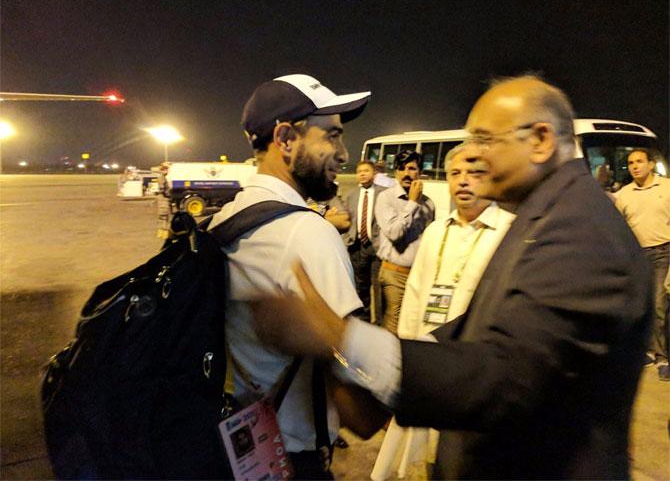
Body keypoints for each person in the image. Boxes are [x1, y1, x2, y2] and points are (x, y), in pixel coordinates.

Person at [250, 75, 653, 479]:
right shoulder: (543, 214)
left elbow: (509, 374)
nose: (472, 157)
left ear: (541, 140)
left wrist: (343, 338)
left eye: (484, 139)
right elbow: (486, 327)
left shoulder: (579, 230)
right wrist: (380, 366)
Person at [208, 73, 385, 479]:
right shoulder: (307, 233)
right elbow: (359, 404)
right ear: (286, 139)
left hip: (238, 450)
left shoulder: (223, 221)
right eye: (332, 137)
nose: (344, 154)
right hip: (293, 459)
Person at [371, 143, 515, 480]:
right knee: (422, 457)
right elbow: (416, 296)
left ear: (492, 180)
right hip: (430, 358)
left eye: (475, 173)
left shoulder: (510, 232)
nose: (464, 181)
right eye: (455, 174)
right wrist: (408, 358)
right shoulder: (436, 231)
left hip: (475, 367)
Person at [615, 149, 670, 380]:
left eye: (639, 161)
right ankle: (648, 350)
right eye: (630, 163)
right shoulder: (624, 195)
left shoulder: (666, 187)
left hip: (664, 253)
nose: (635, 166)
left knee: (659, 305)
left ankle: (663, 358)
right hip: (637, 256)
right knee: (641, 306)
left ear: (650, 164)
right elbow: (618, 227)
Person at [375, 150, 435, 334]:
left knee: (413, 325)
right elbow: (394, 232)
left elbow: (431, 238)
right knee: (393, 326)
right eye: (401, 168)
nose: (406, 173)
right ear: (395, 171)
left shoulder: (429, 204)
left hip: (418, 274)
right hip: (395, 275)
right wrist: (412, 203)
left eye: (412, 168)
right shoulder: (386, 198)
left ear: (419, 172)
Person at [341, 160, 385, 323]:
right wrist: (347, 240)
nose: (362, 174)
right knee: (360, 287)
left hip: (377, 247)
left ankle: (380, 323)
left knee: (379, 288)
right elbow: (346, 218)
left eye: (366, 170)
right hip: (357, 246)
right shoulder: (350, 195)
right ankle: (364, 321)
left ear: (374, 173)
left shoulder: (384, 193)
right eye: (359, 171)